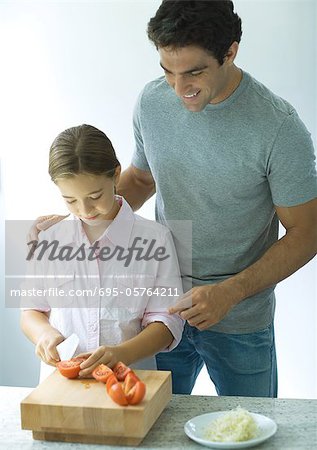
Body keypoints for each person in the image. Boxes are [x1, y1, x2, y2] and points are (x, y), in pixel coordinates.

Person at [30, 1, 317, 397]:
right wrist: (78, 223)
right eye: (168, 72)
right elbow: (141, 180)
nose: (180, 89)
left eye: (194, 72)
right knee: (152, 426)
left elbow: (307, 232)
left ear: (230, 51)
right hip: (155, 310)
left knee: (251, 425)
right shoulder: (152, 103)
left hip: (238, 318)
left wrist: (230, 292)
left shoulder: (278, 128)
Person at [21, 124, 184, 379]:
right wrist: (44, 334)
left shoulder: (156, 239)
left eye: (95, 195)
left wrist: (123, 353)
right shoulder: (49, 239)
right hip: (62, 385)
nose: (85, 209)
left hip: (130, 381)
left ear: (116, 175)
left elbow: (167, 322)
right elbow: (31, 310)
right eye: (70, 200)